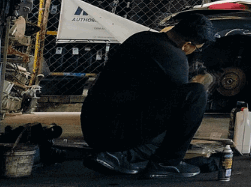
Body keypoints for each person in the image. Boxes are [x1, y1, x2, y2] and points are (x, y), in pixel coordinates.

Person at [81, 11, 215, 178]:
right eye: (195, 48)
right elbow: (181, 108)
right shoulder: (175, 56)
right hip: (114, 132)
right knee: (196, 95)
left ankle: (114, 156)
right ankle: (167, 163)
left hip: (93, 127)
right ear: (187, 44)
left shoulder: (141, 38)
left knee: (160, 135)